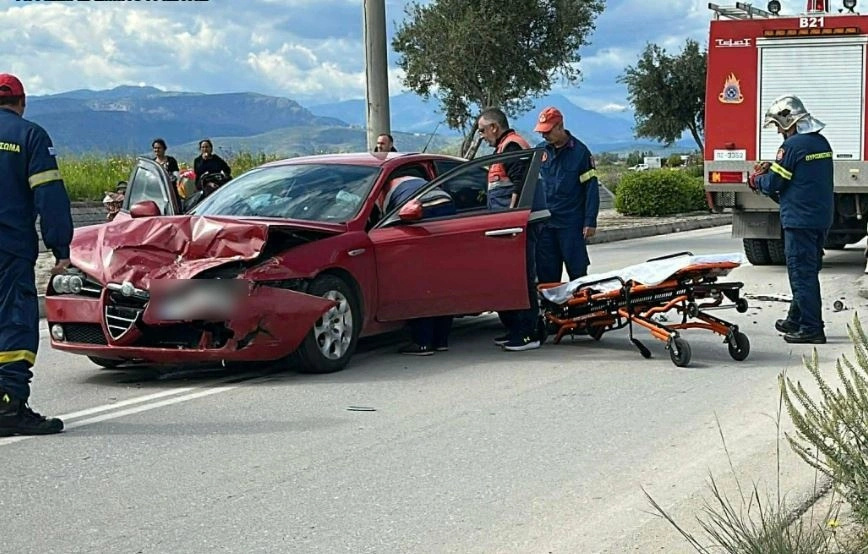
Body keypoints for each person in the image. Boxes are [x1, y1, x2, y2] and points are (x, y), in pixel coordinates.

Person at [0, 73, 73, 436]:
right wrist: (61, 249)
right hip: (9, 249)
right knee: (14, 322)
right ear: (22, 102)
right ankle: (9, 406)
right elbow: (50, 197)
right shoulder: (30, 136)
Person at [750, 94, 833, 344]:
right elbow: (800, 177)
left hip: (799, 221)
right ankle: (795, 319)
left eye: (778, 126)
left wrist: (756, 179)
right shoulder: (821, 143)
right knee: (808, 270)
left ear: (789, 121)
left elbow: (775, 183)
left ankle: (811, 328)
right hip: (820, 218)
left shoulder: (792, 146)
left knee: (801, 274)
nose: (778, 132)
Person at [476, 107, 541, 351]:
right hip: (508, 229)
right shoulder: (503, 148)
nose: (481, 135)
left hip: (517, 228)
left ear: (494, 127)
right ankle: (515, 329)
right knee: (511, 279)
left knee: (522, 279)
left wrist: (512, 221)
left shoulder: (512, 146)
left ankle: (528, 333)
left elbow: (520, 185)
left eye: (482, 130)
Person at [384, 176, 456, 355]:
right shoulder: (412, 180)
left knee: (420, 281)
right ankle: (441, 340)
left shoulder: (384, 191)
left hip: (422, 209)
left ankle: (422, 342)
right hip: (447, 203)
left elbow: (387, 225)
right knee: (442, 279)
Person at [533, 106, 600, 284]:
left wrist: (590, 221)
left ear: (560, 127)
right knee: (546, 276)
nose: (544, 136)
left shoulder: (580, 153)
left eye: (547, 131)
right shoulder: (539, 152)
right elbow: (531, 186)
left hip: (571, 224)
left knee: (578, 275)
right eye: (541, 132)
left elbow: (591, 189)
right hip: (545, 225)